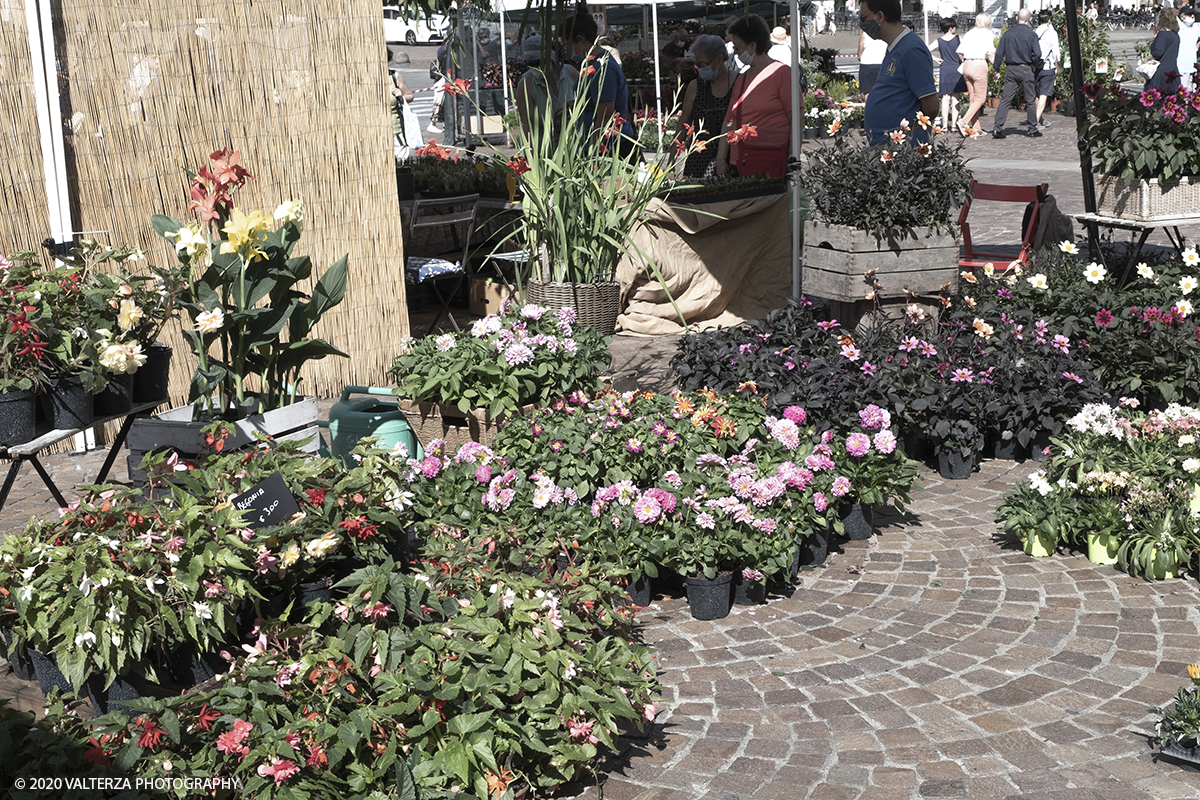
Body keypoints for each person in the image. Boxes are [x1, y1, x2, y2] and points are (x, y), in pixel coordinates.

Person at [715, 14, 794, 178]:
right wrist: (721, 160)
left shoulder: (782, 74)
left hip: (772, 161)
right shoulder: (741, 79)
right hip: (741, 160)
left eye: (737, 47)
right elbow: (729, 121)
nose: (735, 53)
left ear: (752, 45)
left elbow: (796, 118)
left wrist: (792, 158)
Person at [562, 6, 637, 157]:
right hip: (601, 142)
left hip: (612, 147)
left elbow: (605, 114)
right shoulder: (591, 64)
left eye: (567, 45)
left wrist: (594, 152)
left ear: (580, 40)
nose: (566, 50)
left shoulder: (602, 68)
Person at [860, 0, 938, 144]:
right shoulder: (895, 47)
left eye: (864, 18)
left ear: (880, 16)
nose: (862, 24)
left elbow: (931, 106)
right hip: (889, 148)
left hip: (903, 149)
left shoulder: (911, 49)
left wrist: (906, 132)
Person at [679, 34, 735, 177]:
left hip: (732, 159)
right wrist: (671, 161)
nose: (698, 69)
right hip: (699, 160)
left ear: (719, 59)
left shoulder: (739, 82)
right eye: (696, 64)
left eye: (702, 64)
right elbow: (683, 124)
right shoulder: (696, 87)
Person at [514, 34, 580, 142]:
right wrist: (532, 156)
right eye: (530, 63)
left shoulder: (570, 73)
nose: (535, 67)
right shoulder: (526, 83)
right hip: (541, 146)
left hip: (570, 144)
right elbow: (528, 126)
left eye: (538, 62)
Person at [990, 8, 1042, 139]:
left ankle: (997, 128)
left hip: (1011, 69)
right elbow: (1037, 53)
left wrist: (996, 69)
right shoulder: (1032, 35)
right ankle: (1032, 129)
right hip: (1026, 68)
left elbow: (999, 53)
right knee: (1030, 100)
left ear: (1017, 18)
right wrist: (1034, 65)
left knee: (1006, 100)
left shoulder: (1008, 34)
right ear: (1030, 20)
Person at [957, 13, 995, 134]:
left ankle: (976, 128)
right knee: (981, 99)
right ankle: (963, 121)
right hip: (979, 64)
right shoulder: (988, 33)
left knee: (973, 98)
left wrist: (965, 60)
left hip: (967, 65)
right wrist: (996, 67)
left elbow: (959, 51)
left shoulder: (969, 33)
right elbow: (989, 52)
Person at [930, 18, 967, 132]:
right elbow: (964, 52)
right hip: (957, 69)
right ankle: (954, 125)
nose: (955, 29)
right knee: (956, 98)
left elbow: (926, 50)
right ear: (950, 28)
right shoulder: (958, 38)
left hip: (945, 69)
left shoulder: (939, 40)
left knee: (945, 98)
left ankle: (945, 126)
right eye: (954, 27)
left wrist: (936, 59)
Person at [1034, 10, 1061, 130]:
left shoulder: (1034, 32)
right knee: (1044, 94)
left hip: (1035, 66)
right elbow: (1056, 51)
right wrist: (1057, 66)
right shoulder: (1052, 33)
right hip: (1047, 65)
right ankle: (1034, 122)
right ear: (1049, 20)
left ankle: (1040, 119)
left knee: (1037, 94)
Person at [1145, 8, 1182, 92]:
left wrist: (1146, 60)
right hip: (1173, 71)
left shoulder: (1162, 34)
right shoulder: (1176, 36)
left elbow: (1158, 53)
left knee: (1156, 99)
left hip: (1160, 72)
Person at [857, 17, 888, 96]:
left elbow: (859, 54)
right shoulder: (885, 34)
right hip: (882, 64)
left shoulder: (864, 35)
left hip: (867, 64)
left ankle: (869, 107)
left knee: (867, 92)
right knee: (883, 90)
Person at [1179, 6, 1199, 91]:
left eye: (1193, 14)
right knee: (1183, 93)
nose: (1192, 16)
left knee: (1194, 94)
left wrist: (1196, 47)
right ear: (1182, 16)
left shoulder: (1196, 28)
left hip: (1193, 67)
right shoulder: (1178, 28)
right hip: (1181, 68)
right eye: (1189, 14)